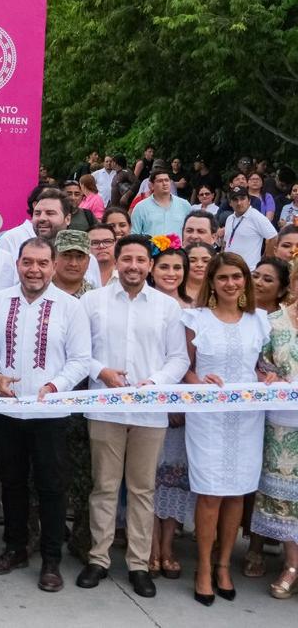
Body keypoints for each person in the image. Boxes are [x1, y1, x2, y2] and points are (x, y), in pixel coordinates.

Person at [77, 235, 190, 598]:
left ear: (150, 265)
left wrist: (154, 383)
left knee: (142, 489)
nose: (134, 266)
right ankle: (98, 559)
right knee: (104, 486)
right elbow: (79, 351)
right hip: (105, 406)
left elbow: (179, 358)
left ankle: (139, 565)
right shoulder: (93, 301)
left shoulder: (166, 307)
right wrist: (101, 372)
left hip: (148, 412)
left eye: (141, 260)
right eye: (127, 259)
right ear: (116, 260)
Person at [0, 237, 91, 593]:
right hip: (7, 409)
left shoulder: (70, 307)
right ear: (17, 264)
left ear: (53, 266)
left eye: (43, 263)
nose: (34, 270)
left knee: (51, 487)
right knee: (11, 482)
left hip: (51, 413)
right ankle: (15, 548)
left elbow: (81, 360)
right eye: (28, 262)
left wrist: (56, 386)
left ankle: (51, 560)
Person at [178, 251, 273, 605]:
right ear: (212, 282)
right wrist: (199, 382)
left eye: (236, 277)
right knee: (210, 493)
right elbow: (184, 369)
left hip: (247, 418)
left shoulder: (259, 320)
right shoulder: (196, 318)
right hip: (208, 418)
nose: (230, 283)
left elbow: (260, 366)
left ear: (245, 280)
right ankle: (203, 567)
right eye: (223, 278)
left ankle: (223, 565)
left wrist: (267, 376)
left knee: (237, 493)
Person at [146, 243, 196, 581]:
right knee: (147, 479)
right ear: (153, 269)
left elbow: (192, 362)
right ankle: (150, 547)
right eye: (164, 266)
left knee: (175, 479)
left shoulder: (194, 310)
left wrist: (181, 402)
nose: (171, 273)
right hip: (150, 404)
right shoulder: (146, 303)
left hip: (183, 405)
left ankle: (168, 547)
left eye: (178, 267)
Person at [254, 271, 298, 598]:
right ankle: (291, 564)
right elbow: (259, 366)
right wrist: (267, 378)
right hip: (284, 425)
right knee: (287, 498)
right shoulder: (273, 322)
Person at [223, 186, 277, 268]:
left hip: (249, 270)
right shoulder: (229, 219)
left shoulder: (256, 216)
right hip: (229, 268)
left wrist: (266, 260)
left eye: (242, 199)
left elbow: (273, 237)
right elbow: (226, 243)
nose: (239, 203)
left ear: (249, 201)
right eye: (235, 200)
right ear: (230, 203)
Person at [131, 169, 193, 236]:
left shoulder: (184, 205)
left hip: (178, 243)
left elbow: (192, 229)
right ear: (152, 185)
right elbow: (135, 234)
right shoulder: (141, 207)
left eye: (167, 180)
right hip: (150, 243)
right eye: (160, 181)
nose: (164, 183)